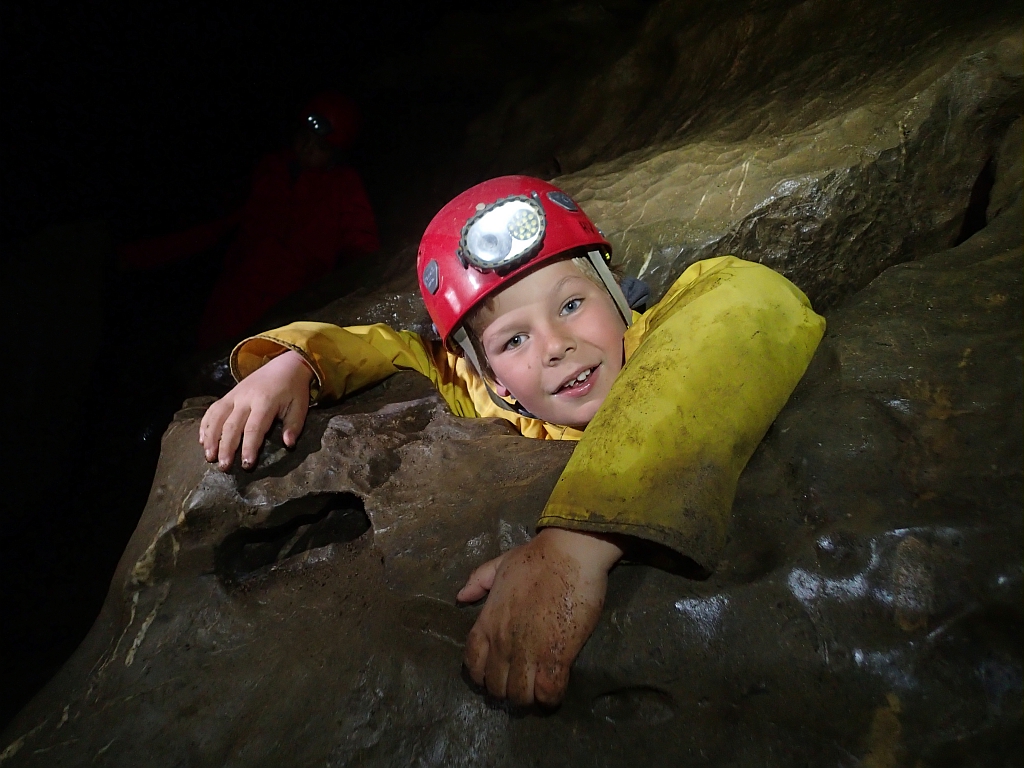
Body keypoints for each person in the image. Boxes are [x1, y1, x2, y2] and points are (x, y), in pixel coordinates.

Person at [199, 175, 826, 706]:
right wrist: (293, 362)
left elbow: (747, 298)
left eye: (573, 304)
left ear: (617, 294)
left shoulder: (660, 334)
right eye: (513, 340)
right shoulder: (485, 395)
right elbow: (390, 348)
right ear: (488, 373)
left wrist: (579, 544)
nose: (555, 345)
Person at [121, 91, 380, 349]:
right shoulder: (269, 170)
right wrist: (136, 257)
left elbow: (362, 246)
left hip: (290, 313)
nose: (307, 148)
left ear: (336, 154)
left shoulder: (344, 187)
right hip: (233, 306)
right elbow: (210, 226)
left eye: (320, 147)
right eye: (304, 137)